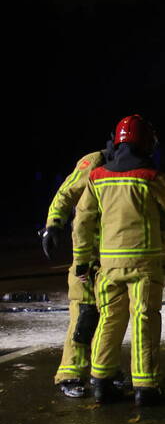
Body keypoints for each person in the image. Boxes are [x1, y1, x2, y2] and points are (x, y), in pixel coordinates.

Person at [72, 115, 165, 405]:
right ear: (146, 142)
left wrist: (82, 260)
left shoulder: (97, 177)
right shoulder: (150, 176)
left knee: (109, 318)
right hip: (143, 264)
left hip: (108, 265)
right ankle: (145, 388)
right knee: (144, 320)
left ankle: (100, 381)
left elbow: (82, 221)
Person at [41, 149, 105, 398]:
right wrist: (53, 224)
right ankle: (70, 373)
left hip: (112, 254)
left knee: (108, 317)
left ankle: (102, 371)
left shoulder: (128, 164)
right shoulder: (96, 162)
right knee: (84, 314)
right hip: (89, 253)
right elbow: (66, 191)